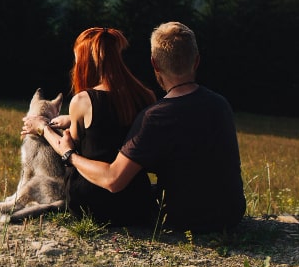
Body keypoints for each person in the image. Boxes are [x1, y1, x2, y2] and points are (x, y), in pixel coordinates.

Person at [46, 21, 246, 233]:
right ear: (196, 61)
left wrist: (68, 154)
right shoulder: (220, 104)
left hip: (184, 220)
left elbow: (113, 180)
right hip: (231, 215)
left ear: (154, 64)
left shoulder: (156, 117)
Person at [22, 27, 158, 226]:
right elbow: (114, 123)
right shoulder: (145, 96)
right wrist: (72, 118)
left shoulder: (83, 101)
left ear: (87, 61)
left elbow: (67, 147)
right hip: (135, 203)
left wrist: (43, 127)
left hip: (91, 204)